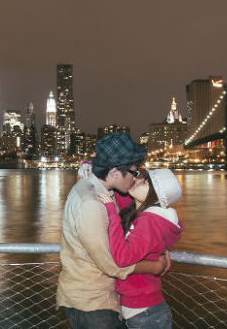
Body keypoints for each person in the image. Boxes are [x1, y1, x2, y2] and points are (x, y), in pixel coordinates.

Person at [57, 132, 169, 329]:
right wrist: (156, 267)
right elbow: (111, 265)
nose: (135, 179)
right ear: (115, 172)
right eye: (134, 172)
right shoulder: (91, 203)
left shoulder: (97, 190)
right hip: (91, 303)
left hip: (97, 298)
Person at [104, 168, 184, 329]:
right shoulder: (140, 211)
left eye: (145, 182)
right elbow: (120, 193)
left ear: (156, 195)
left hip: (145, 313)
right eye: (141, 177)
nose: (137, 180)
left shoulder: (151, 222)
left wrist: (110, 211)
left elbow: (122, 259)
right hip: (141, 308)